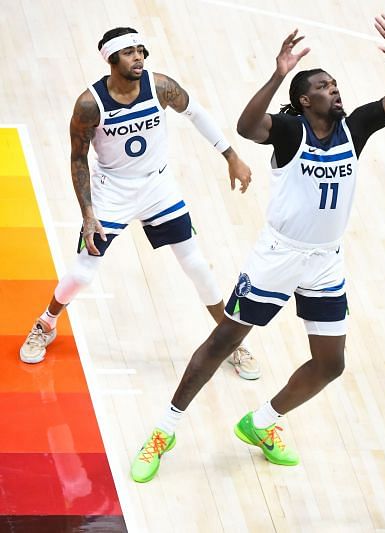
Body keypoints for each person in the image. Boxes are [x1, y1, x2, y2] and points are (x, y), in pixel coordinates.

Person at [129, 14, 385, 483]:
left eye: (336, 84)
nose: (337, 90)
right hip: (278, 257)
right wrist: (278, 73)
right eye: (326, 86)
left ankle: (261, 423)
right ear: (306, 100)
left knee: (332, 364)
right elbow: (247, 126)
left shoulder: (356, 127)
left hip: (326, 259)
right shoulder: (291, 133)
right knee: (224, 341)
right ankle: (163, 432)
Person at [18, 27, 262, 380]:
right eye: (130, 52)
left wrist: (231, 156)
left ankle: (229, 342)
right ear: (112, 59)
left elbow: (196, 113)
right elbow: (77, 159)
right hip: (112, 191)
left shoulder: (159, 86)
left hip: (158, 187)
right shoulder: (90, 104)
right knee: (82, 272)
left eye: (141, 51)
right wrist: (88, 213)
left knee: (196, 265)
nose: (139, 58)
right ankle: (46, 323)